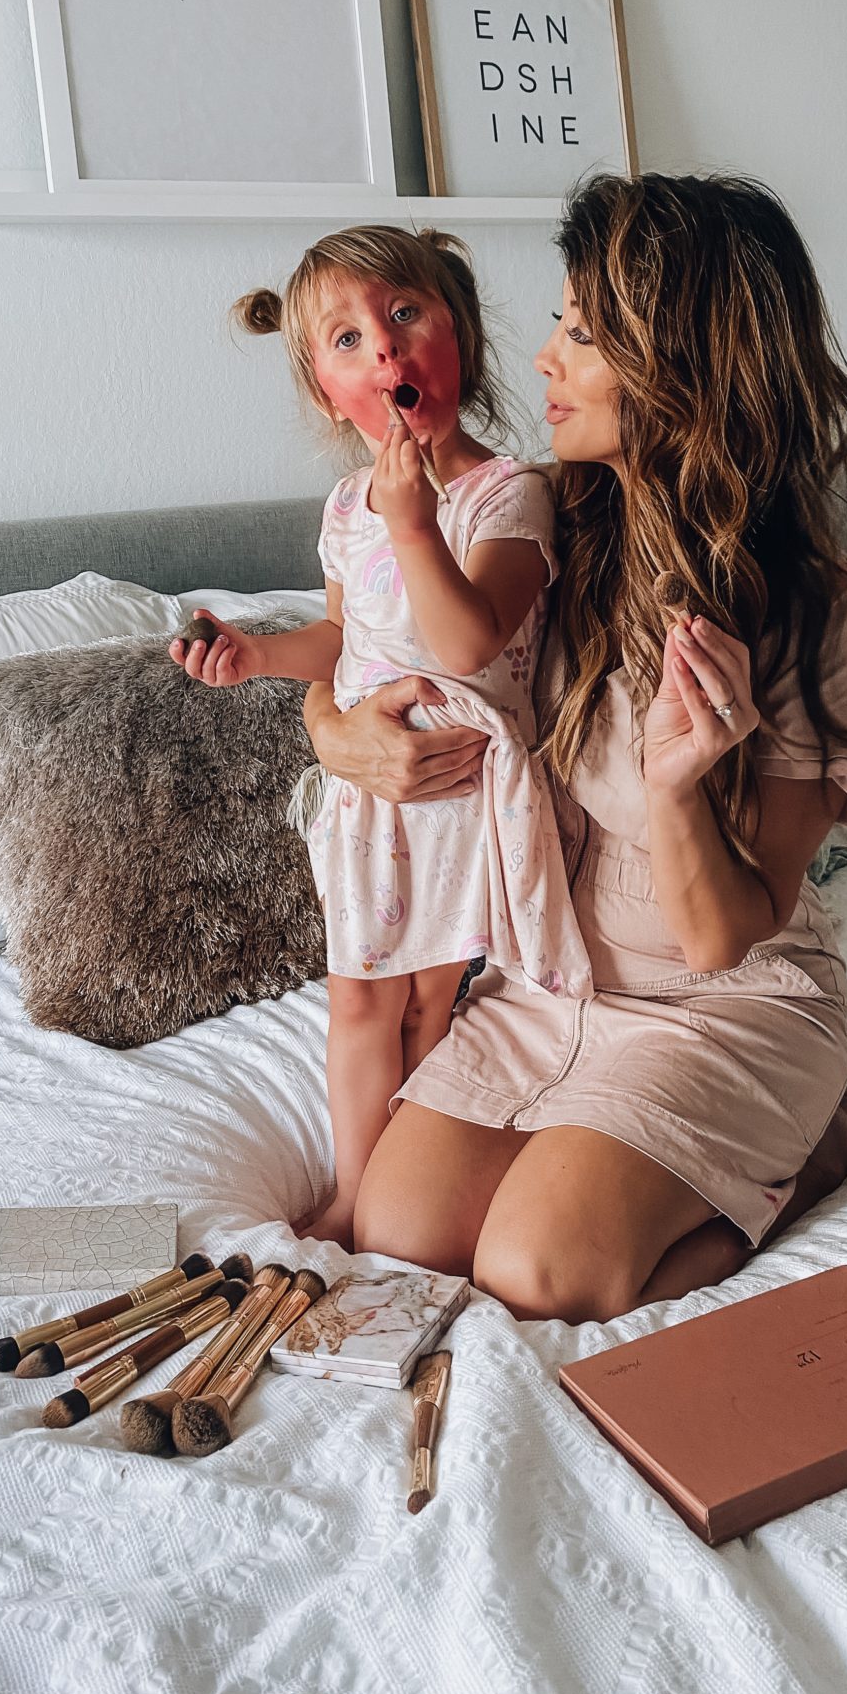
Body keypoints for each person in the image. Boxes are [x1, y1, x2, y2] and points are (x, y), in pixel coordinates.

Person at [303, 173, 847, 1321]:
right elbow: (366, 640)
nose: (542, 359)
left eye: (582, 334)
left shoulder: (824, 616)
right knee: (400, 1231)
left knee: (536, 1271)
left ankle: (804, 1152)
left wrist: (678, 785)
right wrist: (334, 732)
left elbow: (728, 929)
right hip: (554, 978)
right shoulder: (542, 526)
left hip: (727, 999)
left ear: (680, 363)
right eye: (560, 324)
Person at [171, 225, 589, 1250]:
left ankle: (412, 1181)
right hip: (369, 802)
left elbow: (471, 638)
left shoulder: (509, 494)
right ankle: (359, 1192)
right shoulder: (349, 506)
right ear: (327, 390)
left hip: (458, 796)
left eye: (406, 315)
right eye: (349, 339)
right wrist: (259, 657)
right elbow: (343, 637)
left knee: (428, 1003)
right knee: (361, 998)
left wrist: (416, 524)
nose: (386, 352)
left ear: (464, 342)